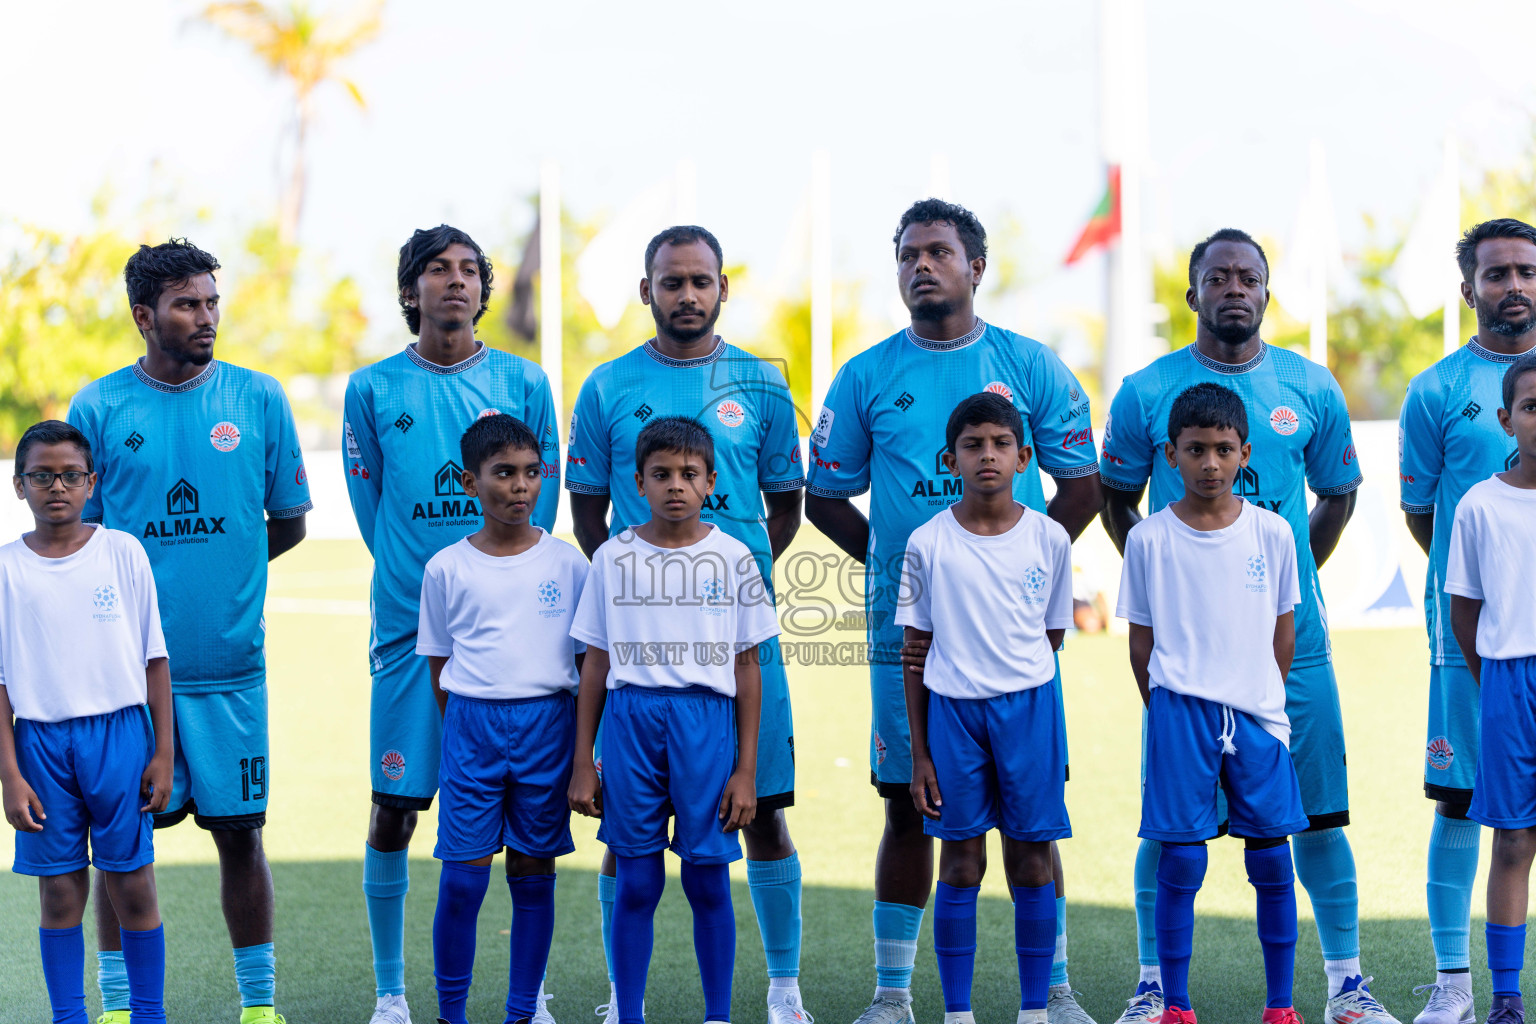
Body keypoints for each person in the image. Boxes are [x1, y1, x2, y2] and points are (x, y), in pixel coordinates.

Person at [806, 198, 1103, 1024]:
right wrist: (916, 575)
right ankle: (894, 994)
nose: (921, 266)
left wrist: (1010, 563)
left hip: (1012, 646)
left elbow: (1081, 488)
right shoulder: (866, 375)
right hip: (910, 637)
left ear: (977, 268)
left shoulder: (1032, 364)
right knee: (908, 802)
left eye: (938, 252)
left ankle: (1054, 990)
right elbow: (825, 497)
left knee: (1031, 822)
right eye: (908, 254)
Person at [1098, 228, 1395, 1024]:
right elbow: (1115, 497)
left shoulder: (1311, 386)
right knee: (1171, 827)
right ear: (1192, 293)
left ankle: (1346, 986)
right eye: (1218, 277)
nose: (1235, 288)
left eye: (1250, 277)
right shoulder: (1144, 390)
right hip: (1188, 662)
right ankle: (1155, 984)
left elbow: (1339, 494)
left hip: (1294, 651)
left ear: (1268, 292)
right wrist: (1183, 587)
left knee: (1320, 816)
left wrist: (1280, 587)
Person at [565, 225, 810, 1024]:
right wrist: (646, 589)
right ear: (647, 291)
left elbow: (786, 507)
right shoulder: (605, 386)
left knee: (763, 808)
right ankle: (620, 999)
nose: (686, 295)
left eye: (701, 281)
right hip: (642, 681)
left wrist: (715, 582)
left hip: (730, 653)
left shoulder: (763, 386)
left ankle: (781, 990)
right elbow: (588, 512)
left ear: (723, 288)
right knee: (627, 855)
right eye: (671, 282)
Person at [68, 240, 311, 1024]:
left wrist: (227, 578)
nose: (205, 317)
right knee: (122, 846)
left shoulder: (259, 398)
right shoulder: (99, 408)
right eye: (186, 304)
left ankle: (260, 1006)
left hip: (231, 670)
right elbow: (84, 542)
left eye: (211, 301)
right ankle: (117, 1008)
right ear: (144, 316)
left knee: (242, 837)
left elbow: (287, 523)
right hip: (124, 679)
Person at [343, 225, 561, 1024]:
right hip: (410, 632)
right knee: (395, 808)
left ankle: (527, 994)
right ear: (410, 291)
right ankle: (392, 990)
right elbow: (373, 512)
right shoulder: (371, 389)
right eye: (438, 270)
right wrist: (425, 581)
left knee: (527, 841)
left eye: (470, 270)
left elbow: (547, 489)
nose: (456, 282)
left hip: (514, 648)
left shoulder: (524, 380)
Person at [568, 415, 781, 1024]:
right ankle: (627, 1012)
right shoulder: (613, 557)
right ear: (638, 482)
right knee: (636, 882)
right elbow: (594, 665)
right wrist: (585, 760)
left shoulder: (733, 556)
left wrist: (746, 770)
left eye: (689, 474)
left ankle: (718, 1016)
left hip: (706, 725)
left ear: (712, 481)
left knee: (709, 881)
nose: (676, 485)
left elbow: (747, 668)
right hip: (632, 722)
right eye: (661, 474)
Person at [1117, 382, 1308, 1024]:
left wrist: (1258, 690)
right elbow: (1140, 642)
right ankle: (1176, 1005)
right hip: (1180, 713)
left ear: (1245, 452)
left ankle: (1279, 1006)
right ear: (1170, 453)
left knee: (1272, 859)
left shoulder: (1274, 532)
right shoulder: (1148, 540)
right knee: (1182, 859)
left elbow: (1283, 632)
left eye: (1223, 450)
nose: (1210, 464)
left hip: (1257, 714)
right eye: (1195, 449)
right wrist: (1168, 706)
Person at [896, 393, 1074, 1024]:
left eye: (1001, 444)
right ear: (951, 459)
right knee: (961, 858)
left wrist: (1007, 675)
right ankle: (958, 1012)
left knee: (1030, 859)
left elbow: (1049, 637)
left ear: (1024, 457)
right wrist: (919, 753)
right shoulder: (926, 542)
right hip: (953, 717)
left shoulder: (1050, 538)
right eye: (973, 445)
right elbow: (914, 652)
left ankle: (1035, 1009)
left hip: (1030, 712)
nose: (988, 455)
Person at [1399, 219, 1536, 1023]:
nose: (1513, 285)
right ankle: (1457, 983)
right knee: (1460, 802)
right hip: (1473, 641)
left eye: (1526, 270)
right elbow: (1426, 517)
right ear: (1468, 289)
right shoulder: (1436, 390)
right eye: (1496, 274)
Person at [417, 414, 589, 1024]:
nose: (520, 486)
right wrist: (469, 722)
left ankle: (522, 1011)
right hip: (472, 727)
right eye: (503, 474)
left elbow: (586, 660)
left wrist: (580, 752)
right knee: (463, 878)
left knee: (532, 871)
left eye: (531, 473)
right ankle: (451, 1014)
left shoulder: (569, 566)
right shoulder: (445, 568)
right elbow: (440, 661)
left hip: (549, 726)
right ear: (470, 482)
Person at [0, 422, 172, 1024]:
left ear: (91, 482)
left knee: (132, 885)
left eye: (71, 475)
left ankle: (149, 1015)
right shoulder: (6, 569)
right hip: (41, 745)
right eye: (42, 475)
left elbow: (155, 658)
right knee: (61, 889)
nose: (57, 486)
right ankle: (68, 1017)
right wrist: (10, 775)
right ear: (19, 485)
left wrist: (163, 754)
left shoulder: (122, 551)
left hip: (121, 737)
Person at [1444, 350, 1536, 1024]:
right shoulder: (1481, 504)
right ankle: (1505, 994)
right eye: (1532, 407)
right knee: (1512, 839)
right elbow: (1465, 609)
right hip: (1510, 681)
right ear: (1507, 419)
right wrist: (1496, 683)